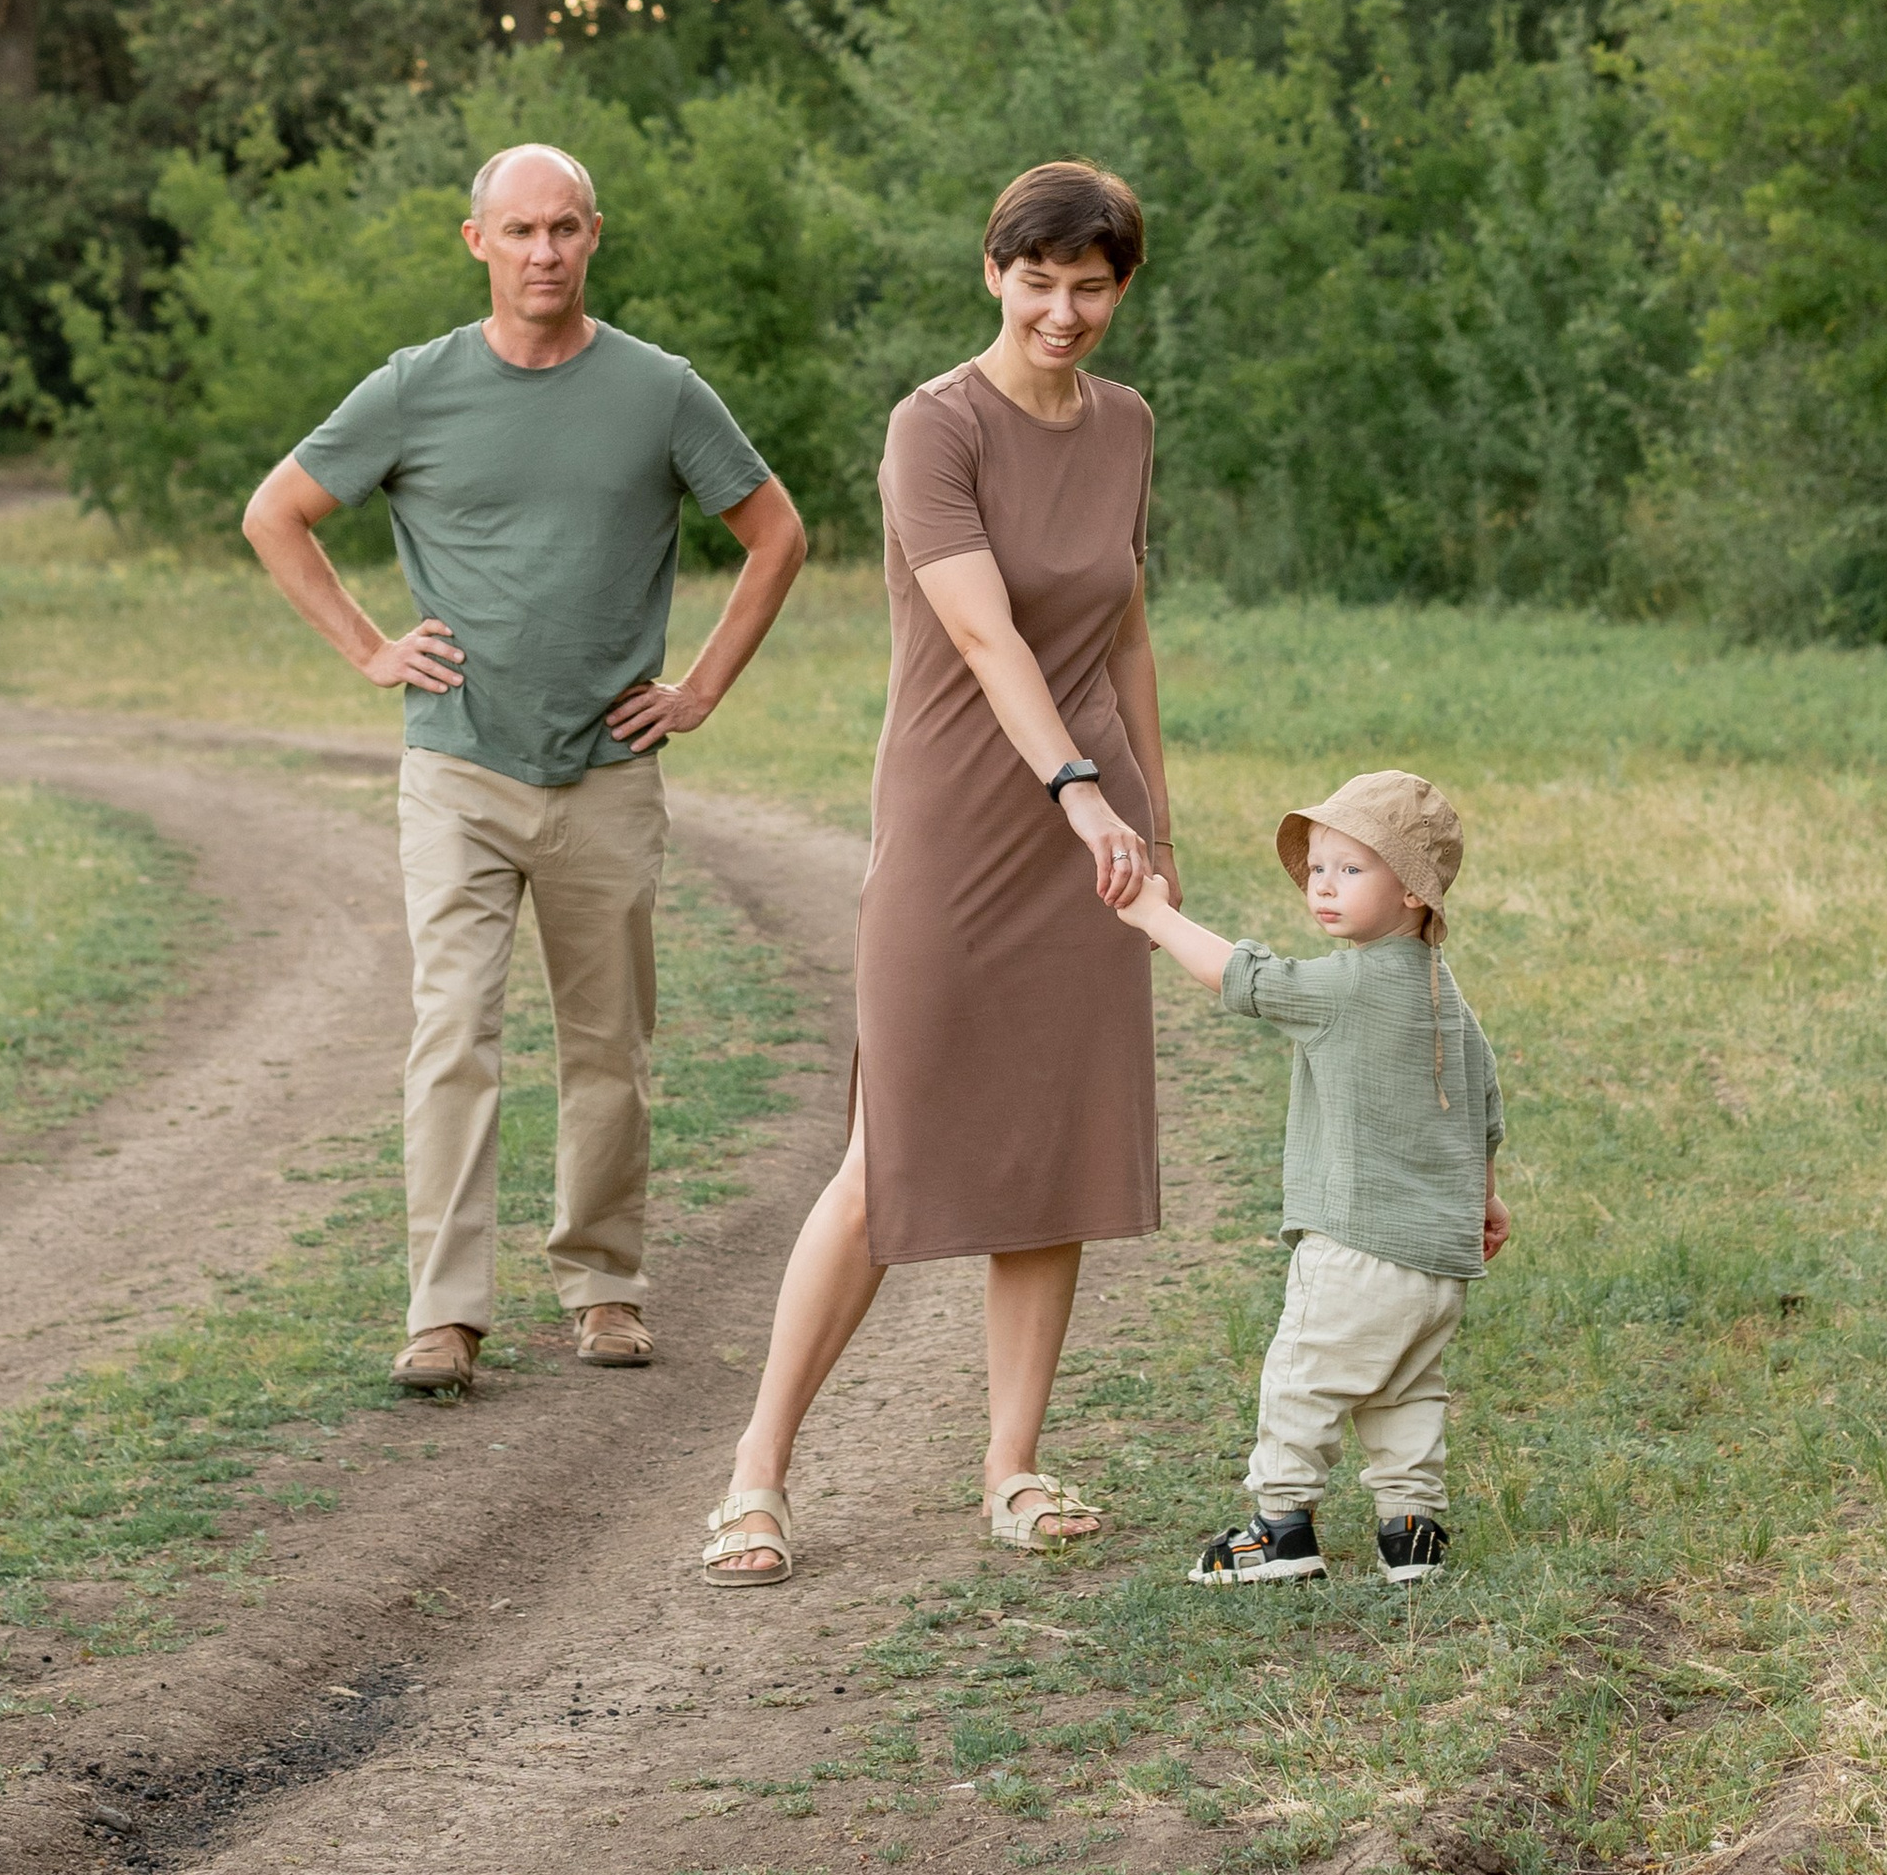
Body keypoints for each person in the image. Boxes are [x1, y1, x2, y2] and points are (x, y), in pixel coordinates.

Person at [242, 140, 807, 1398]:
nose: (542, 252)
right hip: (457, 770)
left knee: (609, 1043)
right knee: (454, 1033)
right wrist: (368, 649)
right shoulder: (412, 388)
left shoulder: (659, 391)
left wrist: (703, 684)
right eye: (519, 231)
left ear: (593, 235)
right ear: (476, 241)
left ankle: (604, 1288)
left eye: (563, 229)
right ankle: (442, 1313)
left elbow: (776, 531)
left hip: (608, 771)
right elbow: (274, 513)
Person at [701, 159, 1172, 1589]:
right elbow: (985, 634)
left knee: (1059, 1146)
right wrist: (1079, 790)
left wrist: (1154, 817)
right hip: (968, 821)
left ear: (1122, 289)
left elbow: (1125, 629)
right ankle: (757, 1472)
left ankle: (1013, 1465)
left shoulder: (1129, 424)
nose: (1065, 310)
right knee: (889, 1148)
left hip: (1094, 826)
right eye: (1040, 281)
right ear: (994, 273)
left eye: (1093, 286)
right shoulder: (934, 427)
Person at [1117, 770, 1509, 1587]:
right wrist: (1486, 1196)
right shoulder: (1446, 992)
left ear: (1412, 893)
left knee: (1303, 1378)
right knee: (1406, 1390)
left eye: (1351, 870)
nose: (1323, 887)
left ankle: (1280, 1528)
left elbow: (1246, 980)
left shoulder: (1348, 986)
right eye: (1318, 868)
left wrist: (1153, 913)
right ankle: (1412, 1532)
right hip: (1436, 1263)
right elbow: (1484, 1104)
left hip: (1357, 1247)